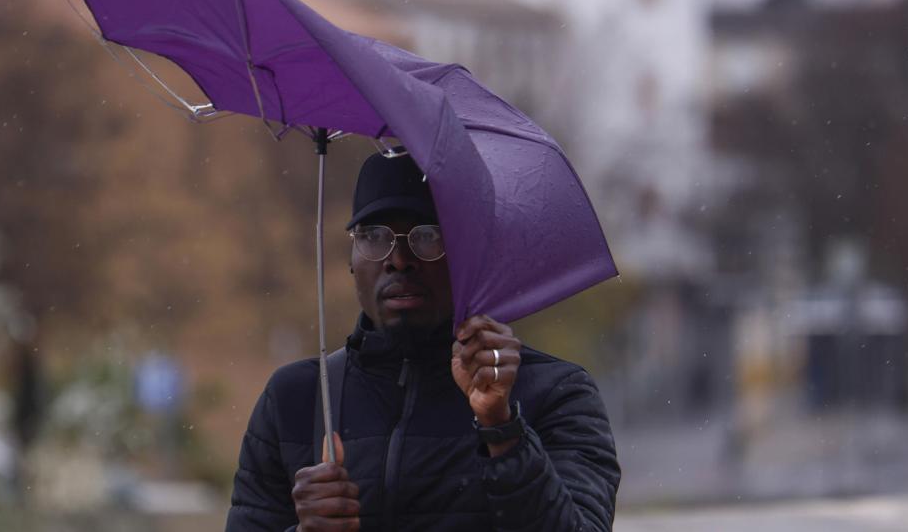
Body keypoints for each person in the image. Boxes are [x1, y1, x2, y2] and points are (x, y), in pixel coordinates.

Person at [226, 153, 620, 531]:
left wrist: (502, 430)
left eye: (428, 235)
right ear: (351, 258)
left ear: (471, 255)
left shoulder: (555, 394)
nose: (398, 259)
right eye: (374, 235)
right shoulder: (298, 399)